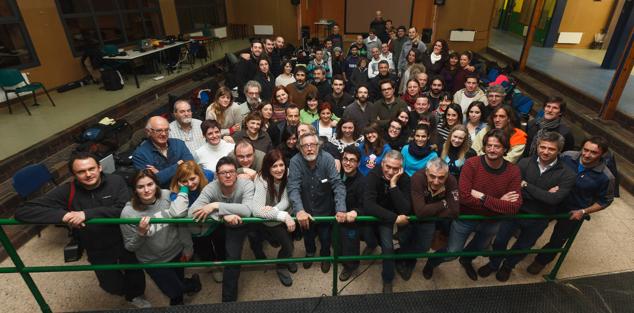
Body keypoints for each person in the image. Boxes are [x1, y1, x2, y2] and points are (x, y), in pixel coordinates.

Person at [15, 152, 149, 308]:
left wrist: (86, 214)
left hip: (124, 240)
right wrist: (63, 216)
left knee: (135, 274)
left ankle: (135, 295)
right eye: (81, 172)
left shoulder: (116, 181)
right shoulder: (67, 190)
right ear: (74, 175)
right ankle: (124, 292)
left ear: (99, 167)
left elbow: (124, 209)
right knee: (110, 284)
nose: (88, 174)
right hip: (95, 245)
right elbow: (23, 211)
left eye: (91, 169)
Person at [422, 129, 522, 281]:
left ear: (505, 149)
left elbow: (514, 207)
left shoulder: (513, 171)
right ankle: (432, 262)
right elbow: (464, 197)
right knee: (452, 252)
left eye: (497, 146)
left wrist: (482, 197)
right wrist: (499, 202)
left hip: (491, 222)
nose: (492, 149)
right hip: (466, 217)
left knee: (479, 248)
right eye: (489, 145)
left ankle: (466, 260)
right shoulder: (472, 164)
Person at [478, 132, 576, 281]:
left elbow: (554, 200)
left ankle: (508, 266)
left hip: (540, 217)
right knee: (500, 241)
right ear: (537, 146)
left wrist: (526, 185)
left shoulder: (567, 174)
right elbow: (512, 190)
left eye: (551, 149)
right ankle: (494, 264)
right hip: (515, 212)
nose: (545, 151)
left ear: (559, 151)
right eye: (542, 147)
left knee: (523, 247)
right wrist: (543, 194)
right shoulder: (524, 163)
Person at [527, 136, 615, 275]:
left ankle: (541, 261)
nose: (587, 155)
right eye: (585, 150)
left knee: (558, 240)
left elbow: (606, 201)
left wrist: (584, 211)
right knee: (533, 226)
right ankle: (524, 247)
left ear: (602, 154)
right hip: (552, 202)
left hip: (573, 210)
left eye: (593, 152)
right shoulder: (567, 156)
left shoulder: (606, 176)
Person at [121, 170, 201, 306]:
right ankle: (192, 284)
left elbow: (181, 224)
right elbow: (130, 246)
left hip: (176, 252)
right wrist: (141, 233)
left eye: (150, 184)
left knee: (177, 290)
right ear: (134, 190)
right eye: (140, 187)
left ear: (156, 184)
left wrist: (188, 248)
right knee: (173, 290)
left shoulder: (167, 196)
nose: (146, 190)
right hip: (154, 261)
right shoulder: (128, 213)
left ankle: (184, 293)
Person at [180, 157, 255, 303]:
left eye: (231, 172)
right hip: (233, 227)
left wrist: (216, 206)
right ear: (217, 175)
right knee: (232, 261)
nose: (228, 175)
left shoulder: (246, 184)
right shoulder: (211, 187)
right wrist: (223, 216)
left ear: (236, 173)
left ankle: (260, 251)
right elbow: (192, 212)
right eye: (223, 173)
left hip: (252, 221)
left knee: (262, 239)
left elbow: (247, 210)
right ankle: (228, 302)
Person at [287, 133, 347, 273]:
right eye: (305, 146)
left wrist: (341, 208)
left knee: (325, 236)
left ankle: (325, 256)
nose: (309, 148)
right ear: (300, 148)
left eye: (312, 145)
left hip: (325, 208)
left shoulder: (327, 159)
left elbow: (337, 184)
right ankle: (310, 253)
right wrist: (299, 210)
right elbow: (293, 188)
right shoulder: (295, 161)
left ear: (318, 146)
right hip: (305, 207)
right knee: (307, 235)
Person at [363, 150, 411, 293]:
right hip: (372, 216)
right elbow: (368, 205)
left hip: (386, 219)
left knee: (388, 248)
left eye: (395, 168)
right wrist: (395, 218)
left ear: (401, 168)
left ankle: (388, 279)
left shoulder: (404, 179)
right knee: (368, 238)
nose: (390, 171)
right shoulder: (373, 175)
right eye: (387, 166)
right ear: (382, 163)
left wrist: (393, 185)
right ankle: (371, 245)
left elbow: (406, 209)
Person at [169, 161, 224, 283]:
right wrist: (183, 190)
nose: (189, 183)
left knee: (221, 244)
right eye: (184, 181)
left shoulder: (209, 176)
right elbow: (178, 213)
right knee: (205, 249)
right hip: (195, 229)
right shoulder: (176, 191)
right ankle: (214, 267)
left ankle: (222, 262)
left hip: (214, 222)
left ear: (199, 175)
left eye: (193, 178)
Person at [250, 149, 298, 286]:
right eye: (274, 166)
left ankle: (287, 259)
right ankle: (281, 266)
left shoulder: (288, 174)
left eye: (281, 165)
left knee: (290, 241)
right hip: (271, 221)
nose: (279, 169)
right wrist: (281, 216)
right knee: (288, 245)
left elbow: (286, 200)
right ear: (267, 167)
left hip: (284, 214)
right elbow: (256, 211)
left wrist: (275, 210)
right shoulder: (261, 179)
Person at [406, 158, 459, 279]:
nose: (436, 181)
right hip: (414, 216)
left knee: (428, 246)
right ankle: (405, 256)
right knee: (413, 243)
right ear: (426, 172)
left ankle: (422, 260)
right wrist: (444, 203)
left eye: (441, 177)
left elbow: (455, 210)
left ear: (447, 175)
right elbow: (419, 212)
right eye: (432, 176)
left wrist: (428, 211)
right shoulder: (417, 177)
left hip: (432, 218)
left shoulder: (451, 179)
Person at [133, 116, 194, 187]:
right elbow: (152, 182)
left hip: (187, 185)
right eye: (159, 130)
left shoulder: (179, 144)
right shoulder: (140, 155)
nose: (164, 134)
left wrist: (161, 173)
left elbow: (191, 166)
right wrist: (179, 164)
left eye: (166, 130)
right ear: (148, 131)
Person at [337, 145, 366, 281]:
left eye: (352, 160)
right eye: (345, 159)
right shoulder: (337, 174)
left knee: (351, 244)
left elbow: (366, 204)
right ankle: (339, 258)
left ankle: (350, 266)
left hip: (352, 221)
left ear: (358, 163)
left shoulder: (362, 182)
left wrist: (355, 212)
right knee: (337, 241)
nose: (347, 163)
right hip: (337, 217)